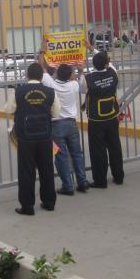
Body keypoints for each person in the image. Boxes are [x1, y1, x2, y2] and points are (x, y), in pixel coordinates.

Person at [4, 62, 60, 215]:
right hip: (45, 136)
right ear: (42, 77)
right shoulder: (50, 91)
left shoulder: (18, 91)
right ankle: (49, 202)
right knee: (46, 169)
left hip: (26, 137)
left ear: (27, 75)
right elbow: (56, 113)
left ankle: (27, 206)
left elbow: (9, 109)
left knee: (26, 171)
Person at [38, 57, 89, 195]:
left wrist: (43, 51)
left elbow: (41, 66)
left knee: (61, 156)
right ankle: (82, 181)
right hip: (72, 124)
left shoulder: (51, 84)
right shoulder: (73, 85)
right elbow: (84, 87)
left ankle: (68, 186)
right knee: (77, 154)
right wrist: (81, 70)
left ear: (56, 73)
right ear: (70, 75)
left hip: (56, 126)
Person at [79, 51, 124, 188]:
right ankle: (118, 177)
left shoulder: (87, 79)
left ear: (93, 64)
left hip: (96, 120)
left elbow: (82, 90)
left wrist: (81, 71)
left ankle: (100, 180)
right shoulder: (113, 73)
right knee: (115, 147)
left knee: (98, 151)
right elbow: (110, 63)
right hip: (112, 117)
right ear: (106, 63)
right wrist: (93, 48)